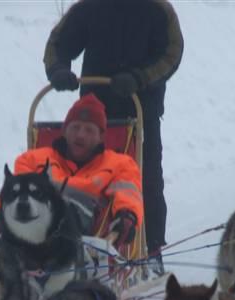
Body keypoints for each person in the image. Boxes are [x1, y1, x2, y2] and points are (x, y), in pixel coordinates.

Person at [43, 0, 184, 272]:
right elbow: (59, 42)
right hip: (93, 115)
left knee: (145, 179)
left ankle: (150, 248)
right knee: (85, 180)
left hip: (141, 109)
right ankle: (80, 244)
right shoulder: (90, 7)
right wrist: (58, 69)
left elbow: (171, 54)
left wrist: (140, 77)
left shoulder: (157, 9)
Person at [12, 93, 143, 252]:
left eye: (89, 130)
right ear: (65, 131)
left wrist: (126, 216)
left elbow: (127, 193)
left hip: (86, 233)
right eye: (75, 127)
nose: (80, 135)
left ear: (101, 137)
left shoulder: (119, 163)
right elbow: (12, 195)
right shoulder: (32, 159)